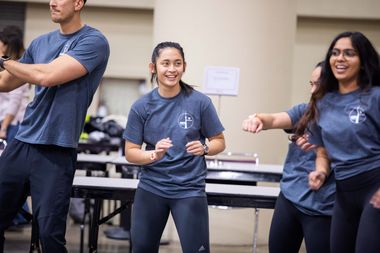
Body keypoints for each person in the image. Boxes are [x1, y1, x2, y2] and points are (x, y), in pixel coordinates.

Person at [0, 0, 110, 252]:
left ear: (79, 3)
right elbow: (6, 82)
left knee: (49, 235)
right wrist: (6, 66)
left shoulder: (94, 41)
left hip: (56, 150)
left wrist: (4, 60)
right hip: (22, 143)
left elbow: (46, 76)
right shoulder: (40, 43)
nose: (52, 2)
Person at [124, 41, 225, 253]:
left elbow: (219, 141)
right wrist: (154, 154)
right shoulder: (141, 106)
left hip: (189, 189)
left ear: (184, 67)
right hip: (151, 187)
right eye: (166, 63)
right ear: (153, 67)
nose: (172, 69)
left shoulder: (200, 102)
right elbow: (131, 153)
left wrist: (205, 149)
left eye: (177, 63)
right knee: (141, 249)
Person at [294, 31, 380, 253]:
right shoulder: (324, 102)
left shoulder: (375, 97)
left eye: (349, 53)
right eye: (335, 53)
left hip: (374, 187)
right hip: (343, 192)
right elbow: (323, 150)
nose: (340, 58)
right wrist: (321, 172)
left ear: (362, 62)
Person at [242, 62, 335, 253]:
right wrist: (258, 118)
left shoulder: (348, 122)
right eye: (311, 84)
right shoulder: (305, 110)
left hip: (322, 208)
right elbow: (274, 119)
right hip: (289, 200)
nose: (313, 90)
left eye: (319, 84)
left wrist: (322, 147)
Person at [0, 25, 31, 227]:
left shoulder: (19, 67)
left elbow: (14, 101)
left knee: (11, 174)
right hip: (7, 123)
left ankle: (19, 217)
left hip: (12, 125)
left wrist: (4, 127)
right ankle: (18, 216)